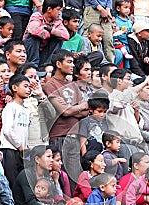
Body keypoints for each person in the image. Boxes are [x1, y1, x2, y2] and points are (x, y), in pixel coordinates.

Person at [43, 50, 88, 190]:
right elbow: (65, 111)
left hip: (74, 136)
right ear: (58, 64)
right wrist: (78, 107)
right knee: (60, 175)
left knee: (75, 175)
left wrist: (74, 110)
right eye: (69, 62)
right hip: (59, 136)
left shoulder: (73, 85)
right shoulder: (50, 85)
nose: (72, 65)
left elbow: (86, 111)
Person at [0, 74, 30, 188]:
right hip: (10, 149)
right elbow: (7, 130)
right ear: (15, 88)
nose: (28, 89)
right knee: (13, 181)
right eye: (25, 86)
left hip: (21, 150)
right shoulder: (10, 107)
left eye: (29, 87)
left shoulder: (25, 109)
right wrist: (19, 145)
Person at [24, 0, 68, 67]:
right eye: (58, 10)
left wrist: (50, 30)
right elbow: (33, 30)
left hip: (44, 51)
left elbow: (66, 36)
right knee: (33, 37)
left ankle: (47, 66)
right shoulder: (37, 16)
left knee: (59, 39)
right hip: (30, 50)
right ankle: (33, 65)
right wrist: (49, 33)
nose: (60, 13)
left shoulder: (57, 21)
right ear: (49, 9)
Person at [79, 91, 110, 156]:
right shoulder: (85, 122)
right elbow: (83, 143)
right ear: (90, 109)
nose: (102, 114)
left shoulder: (106, 122)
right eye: (99, 111)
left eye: (105, 112)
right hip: (91, 155)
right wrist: (85, 158)